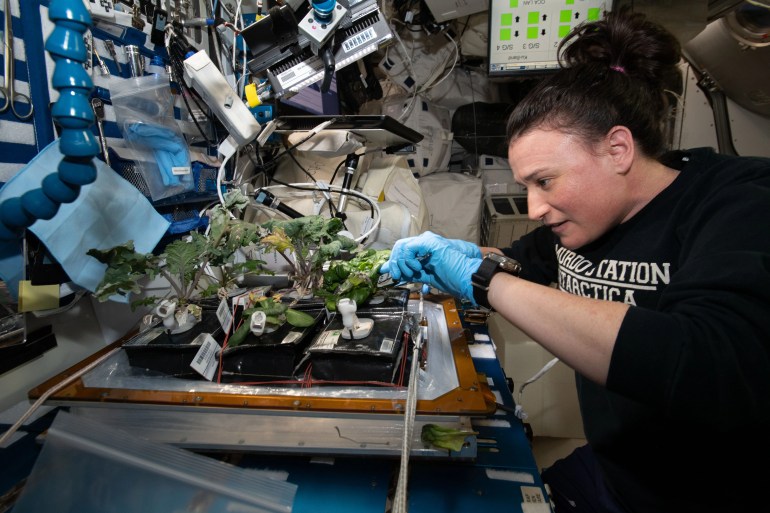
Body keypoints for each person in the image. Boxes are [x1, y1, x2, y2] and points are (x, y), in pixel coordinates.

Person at [380, 8, 770, 513]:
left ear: (617, 149)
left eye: (545, 181)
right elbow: (523, 265)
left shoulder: (740, 202)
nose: (536, 208)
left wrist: (482, 277)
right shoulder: (584, 223)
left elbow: (705, 362)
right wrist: (456, 254)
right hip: (614, 471)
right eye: (526, 188)